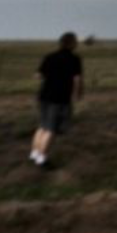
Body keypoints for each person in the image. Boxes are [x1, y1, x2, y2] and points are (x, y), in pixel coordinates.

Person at [30, 32, 84, 167]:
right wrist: (77, 94)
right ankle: (42, 158)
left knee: (42, 126)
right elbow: (77, 79)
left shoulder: (49, 57)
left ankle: (34, 153)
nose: (77, 43)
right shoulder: (74, 59)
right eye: (75, 41)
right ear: (71, 43)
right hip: (60, 98)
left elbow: (37, 76)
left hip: (44, 96)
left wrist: (50, 77)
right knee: (51, 129)